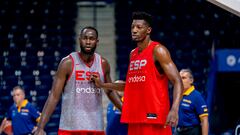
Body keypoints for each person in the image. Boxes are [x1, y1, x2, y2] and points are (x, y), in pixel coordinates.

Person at [91, 11, 183, 135]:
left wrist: (174, 109)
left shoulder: (158, 50)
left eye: (139, 27)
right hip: (135, 118)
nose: (134, 30)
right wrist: (102, 85)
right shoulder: (133, 54)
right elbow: (130, 85)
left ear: (148, 30)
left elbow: (178, 81)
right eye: (132, 27)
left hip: (154, 118)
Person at [34, 26, 122, 135]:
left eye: (91, 38)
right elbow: (54, 96)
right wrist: (40, 127)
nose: (88, 42)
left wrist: (125, 110)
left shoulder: (103, 64)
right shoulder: (67, 63)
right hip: (69, 127)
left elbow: (110, 91)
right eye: (85, 38)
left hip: (95, 127)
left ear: (97, 41)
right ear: (80, 39)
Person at [175, 68, 209, 135]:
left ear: (191, 80)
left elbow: (204, 120)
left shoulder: (197, 96)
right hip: (178, 131)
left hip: (192, 131)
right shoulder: (177, 94)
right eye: (179, 78)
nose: (180, 80)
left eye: (183, 78)